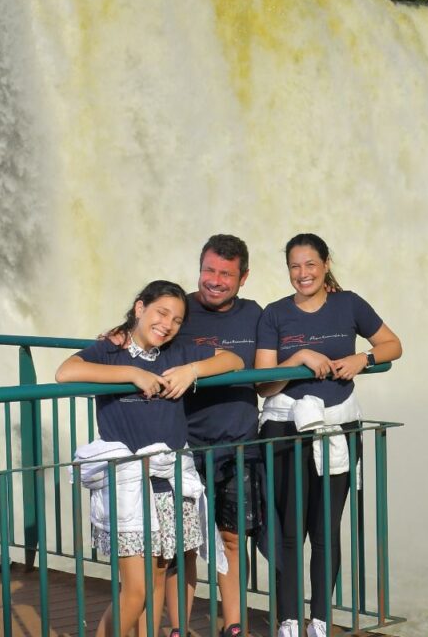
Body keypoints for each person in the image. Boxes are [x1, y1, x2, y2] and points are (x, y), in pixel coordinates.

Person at [57, 280, 243, 637]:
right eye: (161, 312)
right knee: (137, 589)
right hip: (129, 484)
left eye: (176, 319)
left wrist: (193, 371)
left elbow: (232, 359)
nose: (168, 324)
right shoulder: (110, 351)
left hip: (168, 480)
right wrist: (131, 374)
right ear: (140, 308)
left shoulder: (176, 353)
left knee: (159, 573)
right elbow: (66, 372)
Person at [255, 233, 402, 637]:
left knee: (325, 529)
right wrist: (298, 358)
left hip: (338, 426)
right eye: (294, 266)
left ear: (325, 265)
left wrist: (362, 358)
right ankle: (288, 619)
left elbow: (393, 344)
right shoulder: (274, 314)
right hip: (285, 428)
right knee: (289, 531)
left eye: (310, 265)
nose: (302, 274)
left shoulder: (349, 304)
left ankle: (319, 619)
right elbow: (264, 385)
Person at [162, 235, 264, 637]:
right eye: (209, 270)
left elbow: (276, 359)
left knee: (233, 538)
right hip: (182, 446)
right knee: (181, 544)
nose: (215, 280)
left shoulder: (257, 315)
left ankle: (233, 626)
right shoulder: (179, 311)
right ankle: (179, 629)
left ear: (243, 278)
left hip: (239, 444)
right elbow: (139, 337)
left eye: (226, 273)